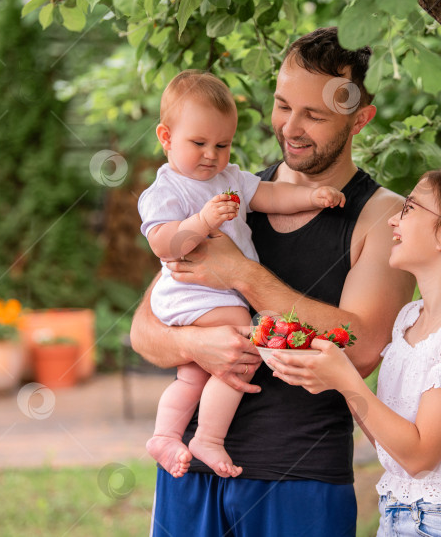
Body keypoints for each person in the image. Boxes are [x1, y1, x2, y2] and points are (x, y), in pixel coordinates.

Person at [130, 27, 416, 536]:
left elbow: (364, 344)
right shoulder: (217, 190)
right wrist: (198, 343)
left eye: (315, 115)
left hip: (298, 477)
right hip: (189, 469)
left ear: (360, 120)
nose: (291, 127)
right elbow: (144, 331)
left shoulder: (382, 216)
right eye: (284, 105)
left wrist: (241, 273)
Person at [271, 168, 441, 536]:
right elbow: (395, 448)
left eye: (410, 209)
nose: (392, 220)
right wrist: (331, 375)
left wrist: (345, 378)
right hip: (399, 519)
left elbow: (420, 458)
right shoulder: (408, 320)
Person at [138, 70, 346, 480]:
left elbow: (269, 195)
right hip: (191, 295)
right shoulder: (166, 190)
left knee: (193, 374)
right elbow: (165, 245)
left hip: (215, 295)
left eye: (223, 144)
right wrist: (201, 221)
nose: (212, 155)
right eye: (198, 143)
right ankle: (209, 439)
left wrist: (310, 196)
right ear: (165, 137)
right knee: (242, 342)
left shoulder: (229, 178)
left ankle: (165, 435)